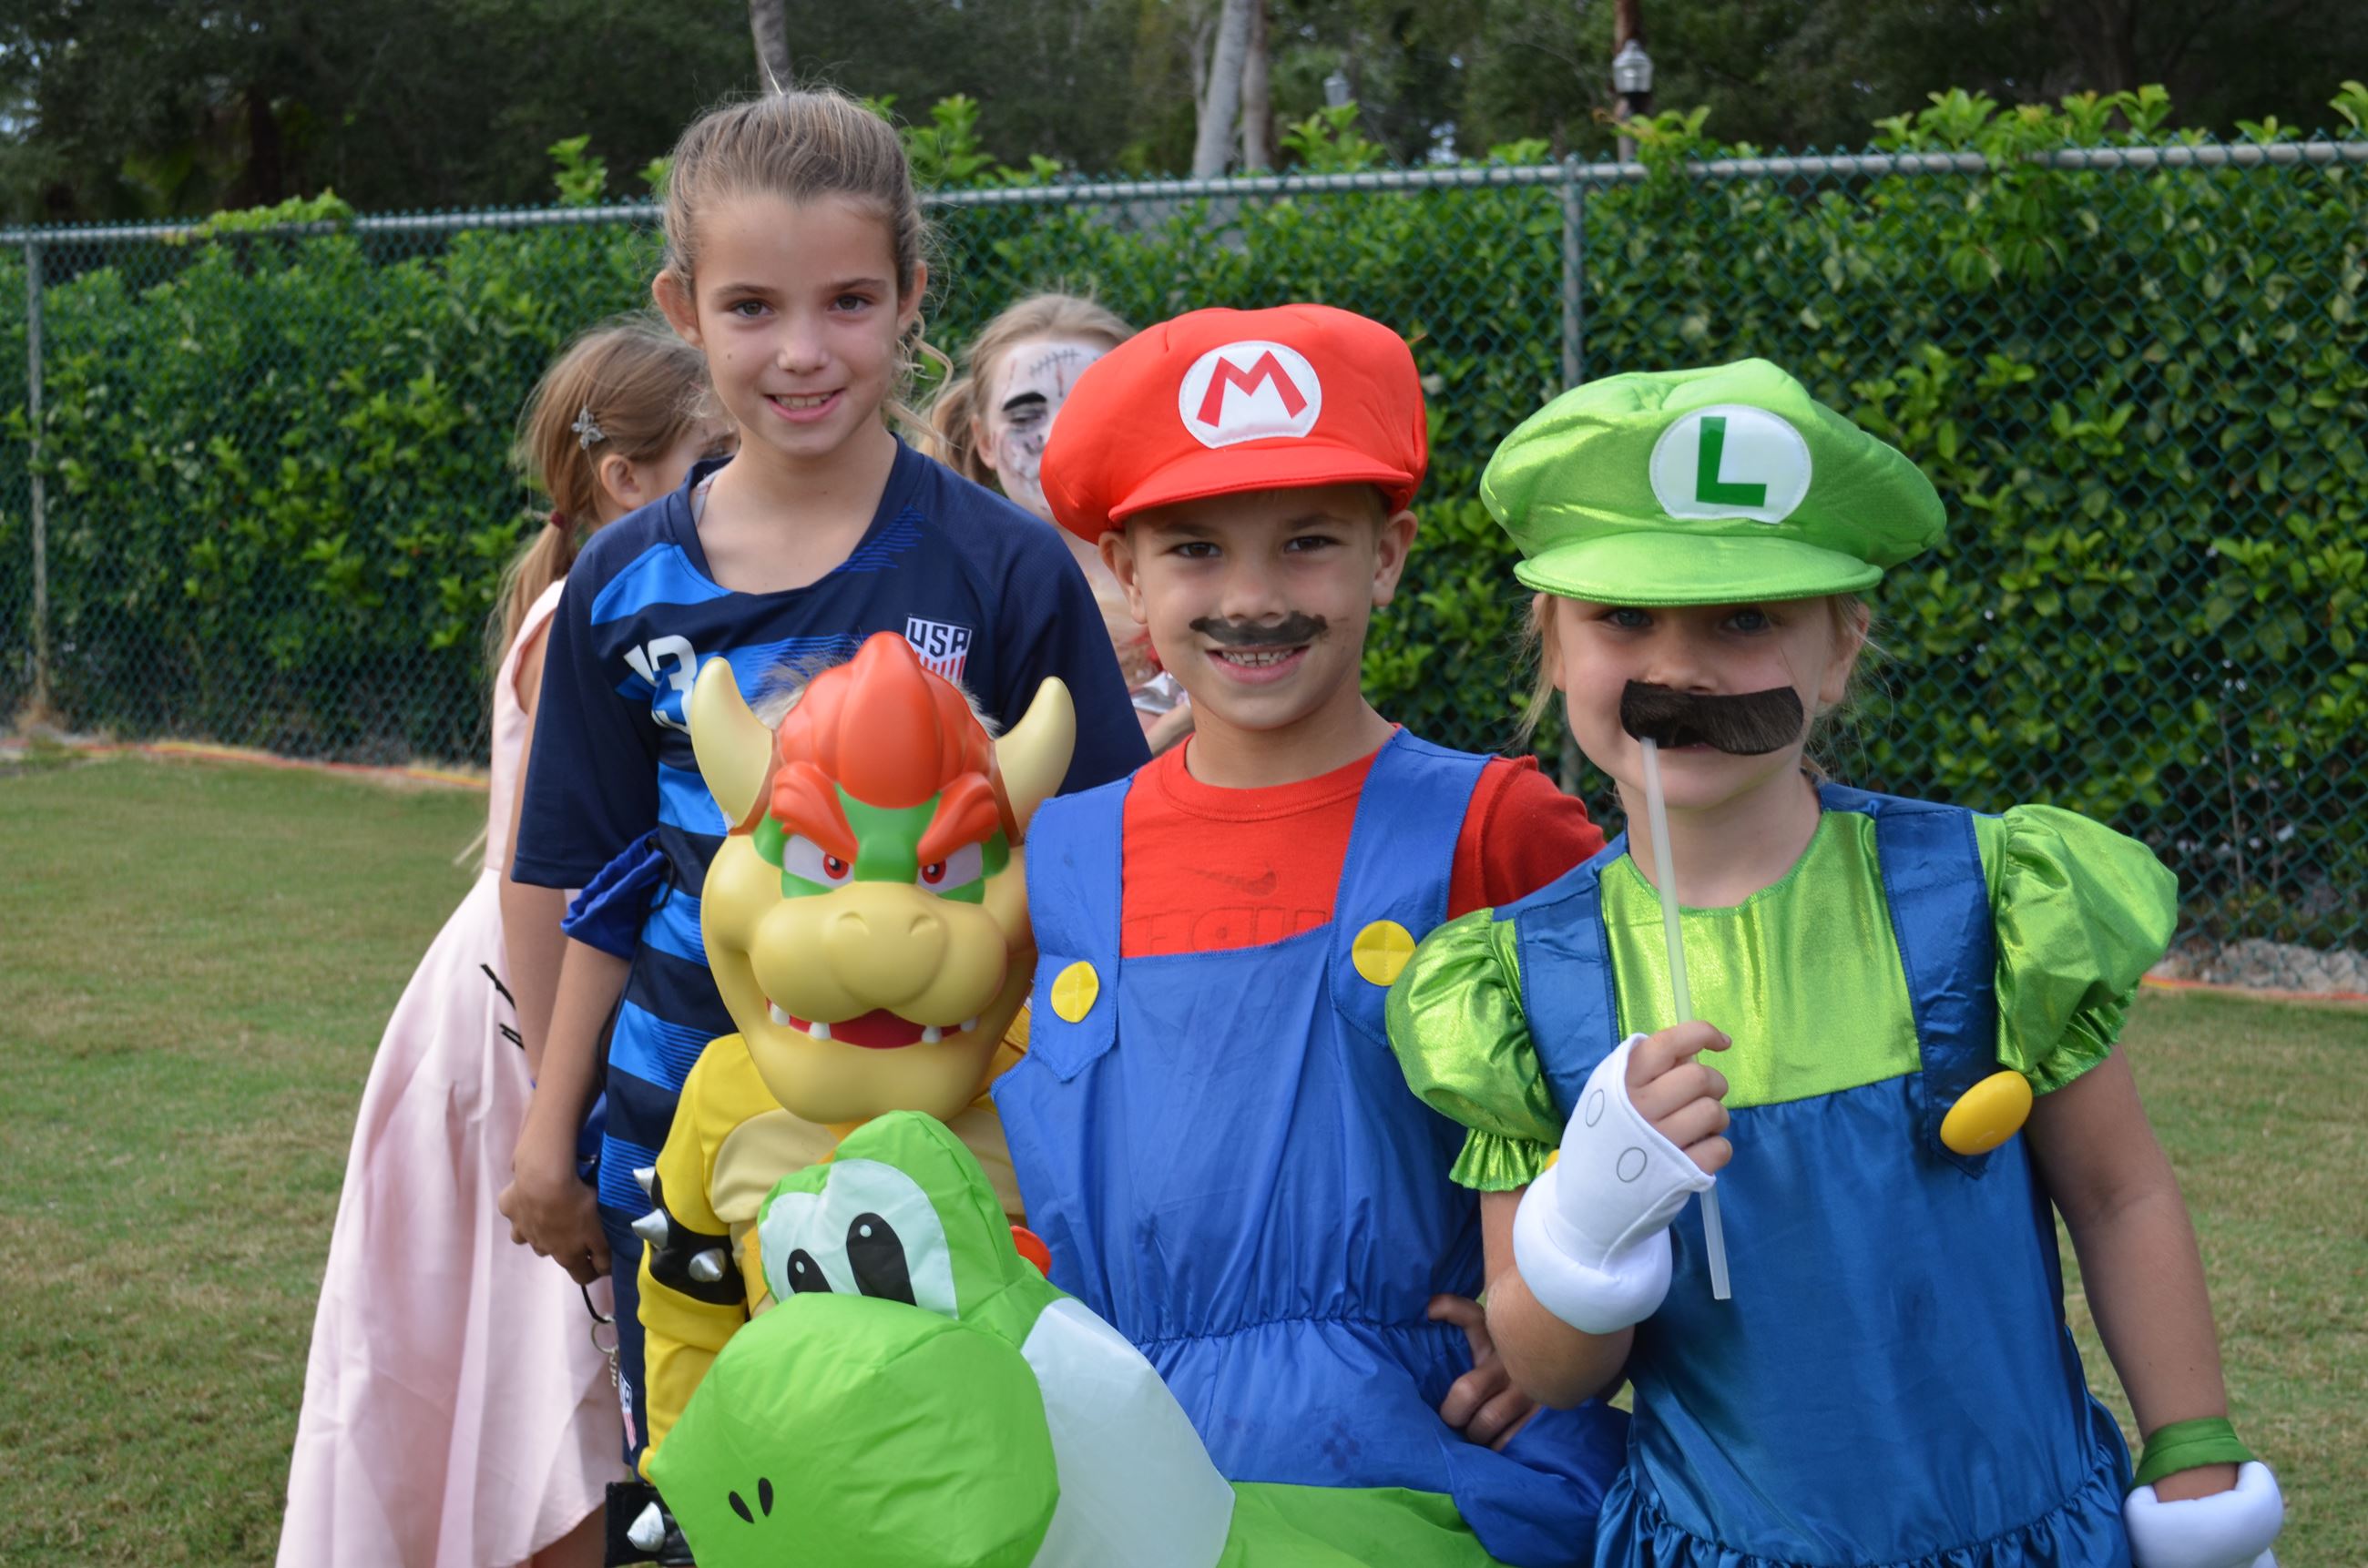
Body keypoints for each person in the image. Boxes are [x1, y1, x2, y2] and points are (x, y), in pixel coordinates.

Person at [1386, 360, 2286, 1567]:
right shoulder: (1523, 985)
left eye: (1745, 618)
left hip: (2028, 1532)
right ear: (1553, 646)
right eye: (1623, 618)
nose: (1681, 669)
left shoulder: (1982, 902)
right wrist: (1586, 1223)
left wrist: (2198, 1463)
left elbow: (2120, 1194)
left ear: (1839, 650)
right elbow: (1555, 1369)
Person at [497, 87, 1148, 1474]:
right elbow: (570, 877)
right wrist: (551, 1136)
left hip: (965, 1165)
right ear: (683, 305)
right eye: (751, 308)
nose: (802, 352)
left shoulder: (1002, 567)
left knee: (951, 1492)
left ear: (913, 296)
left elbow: (1103, 871)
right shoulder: (624, 582)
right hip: (680, 1152)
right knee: (721, 1490)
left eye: (849, 301)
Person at [991, 304, 1629, 1568]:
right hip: (1117, 1473)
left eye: (1308, 544)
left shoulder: (1494, 827)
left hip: (1414, 1480)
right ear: (1125, 572)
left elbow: (1640, 1114)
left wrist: (1553, 1314)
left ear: (1388, 556)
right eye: (1194, 550)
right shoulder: (1062, 855)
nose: (1252, 599)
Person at [280, 318, 728, 1568]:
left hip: (542, 1000)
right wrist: (561, 1095)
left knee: (549, 1376)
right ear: (623, 479)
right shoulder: (598, 611)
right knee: (550, 1381)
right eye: (710, 462)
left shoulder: (606, 594)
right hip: (529, 1017)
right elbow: (571, 870)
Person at [927, 291, 1191, 751]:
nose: (1057, 434)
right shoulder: (946, 592)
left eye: (1090, 407)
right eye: (1027, 415)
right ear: (983, 441)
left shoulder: (1201, 567)